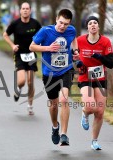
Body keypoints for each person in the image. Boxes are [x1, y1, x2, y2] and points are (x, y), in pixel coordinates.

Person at [29, 9, 79, 146]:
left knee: (64, 99)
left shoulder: (71, 30)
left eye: (66, 24)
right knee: (53, 105)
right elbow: (32, 47)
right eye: (61, 23)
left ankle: (64, 134)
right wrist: (48, 48)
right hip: (49, 73)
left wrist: (75, 51)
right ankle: (55, 127)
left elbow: (74, 39)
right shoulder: (45, 31)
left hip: (66, 70)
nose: (63, 26)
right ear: (56, 19)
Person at [77, 16, 113, 150]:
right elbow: (72, 56)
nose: (93, 25)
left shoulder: (105, 41)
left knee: (99, 112)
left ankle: (94, 141)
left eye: (95, 23)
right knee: (90, 107)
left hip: (100, 79)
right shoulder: (80, 40)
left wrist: (100, 57)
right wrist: (77, 62)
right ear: (87, 27)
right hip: (85, 77)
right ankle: (85, 114)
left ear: (98, 27)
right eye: (90, 23)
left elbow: (111, 64)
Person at [3, 2, 41, 115]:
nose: (25, 10)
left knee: (30, 82)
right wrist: (12, 46)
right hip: (19, 55)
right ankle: (18, 89)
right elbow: (5, 34)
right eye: (23, 9)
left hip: (31, 54)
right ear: (20, 11)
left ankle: (30, 106)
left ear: (30, 10)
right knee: (22, 81)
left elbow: (42, 35)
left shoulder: (35, 23)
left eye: (27, 9)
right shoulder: (15, 23)